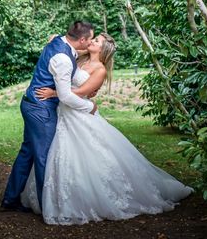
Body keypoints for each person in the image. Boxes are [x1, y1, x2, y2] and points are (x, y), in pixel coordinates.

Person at [20, 32, 193, 225]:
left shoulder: (100, 69)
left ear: (103, 49)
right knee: (56, 153)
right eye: (93, 39)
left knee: (91, 155)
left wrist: (54, 92)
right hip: (64, 113)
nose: (91, 41)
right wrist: (54, 39)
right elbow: (60, 43)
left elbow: (81, 92)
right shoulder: (79, 57)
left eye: (96, 41)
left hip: (79, 114)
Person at [1, 21, 97, 213]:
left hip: (32, 104)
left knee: (27, 154)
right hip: (40, 109)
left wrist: (90, 86)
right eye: (91, 39)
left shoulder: (60, 42)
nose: (91, 42)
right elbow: (65, 96)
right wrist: (89, 106)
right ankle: (49, 207)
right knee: (45, 157)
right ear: (82, 39)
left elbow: (74, 74)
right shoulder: (62, 57)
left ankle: (10, 200)